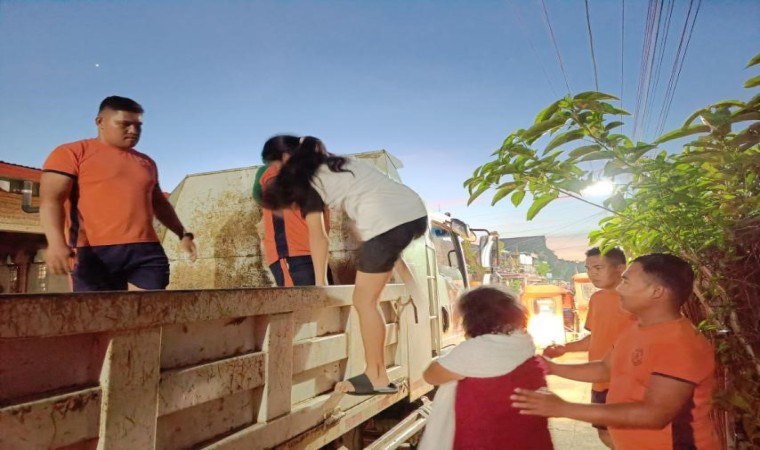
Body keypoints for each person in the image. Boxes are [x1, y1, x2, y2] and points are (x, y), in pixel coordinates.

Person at [260, 135, 427, 395]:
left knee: (364, 301)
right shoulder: (338, 165)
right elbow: (384, 235)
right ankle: (378, 376)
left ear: (286, 158)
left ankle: (376, 377)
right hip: (414, 212)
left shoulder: (309, 181)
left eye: (275, 165)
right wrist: (412, 285)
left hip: (392, 222)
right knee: (367, 296)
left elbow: (319, 237)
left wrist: (320, 284)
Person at [512, 253, 720, 450]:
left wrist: (564, 408)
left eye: (626, 282)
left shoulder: (680, 344)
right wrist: (552, 368)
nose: (619, 289)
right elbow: (605, 369)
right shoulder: (636, 328)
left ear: (656, 292)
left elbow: (654, 414)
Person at [39, 96, 196, 291]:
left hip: (145, 249)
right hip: (93, 250)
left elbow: (159, 204)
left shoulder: (147, 162)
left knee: (152, 306)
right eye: (125, 124)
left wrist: (182, 233)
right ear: (100, 122)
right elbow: (51, 201)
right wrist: (55, 243)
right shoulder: (71, 153)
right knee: (98, 309)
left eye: (138, 126)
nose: (133, 131)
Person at [418, 286, 553, 450]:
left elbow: (431, 376)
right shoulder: (523, 343)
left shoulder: (475, 351)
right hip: (529, 439)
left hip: (486, 441)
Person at [543, 246, 634, 447]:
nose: (592, 273)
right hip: (598, 380)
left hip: (626, 381)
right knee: (605, 433)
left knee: (627, 436)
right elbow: (594, 338)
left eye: (598, 268)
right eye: (589, 268)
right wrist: (565, 348)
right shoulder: (597, 299)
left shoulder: (635, 301)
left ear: (620, 268)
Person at [253, 136, 332, 287]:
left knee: (319, 298)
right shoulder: (274, 170)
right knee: (309, 298)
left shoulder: (311, 174)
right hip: (293, 252)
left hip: (311, 251)